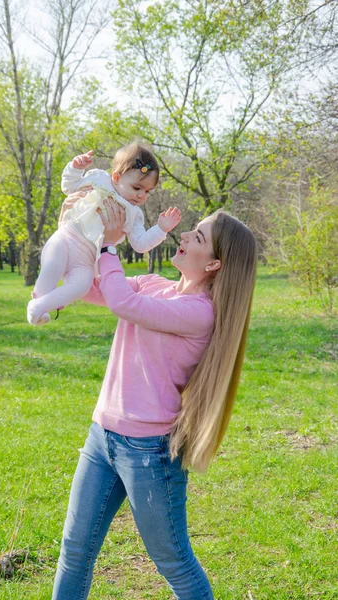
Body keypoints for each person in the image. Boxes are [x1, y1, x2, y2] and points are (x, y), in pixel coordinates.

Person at [52, 195, 258, 599]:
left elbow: (122, 303)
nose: (183, 234)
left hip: (148, 452)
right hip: (102, 437)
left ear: (214, 264)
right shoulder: (154, 286)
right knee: (75, 552)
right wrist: (78, 231)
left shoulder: (198, 312)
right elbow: (91, 287)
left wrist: (111, 245)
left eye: (197, 236)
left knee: (174, 564)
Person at [27, 142, 181, 325]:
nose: (142, 196)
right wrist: (75, 167)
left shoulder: (134, 214)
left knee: (82, 286)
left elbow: (140, 244)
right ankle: (39, 303)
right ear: (116, 177)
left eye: (147, 191)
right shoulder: (99, 179)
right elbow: (69, 187)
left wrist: (160, 229)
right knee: (50, 273)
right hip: (67, 239)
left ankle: (40, 306)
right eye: (137, 188)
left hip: (86, 261)